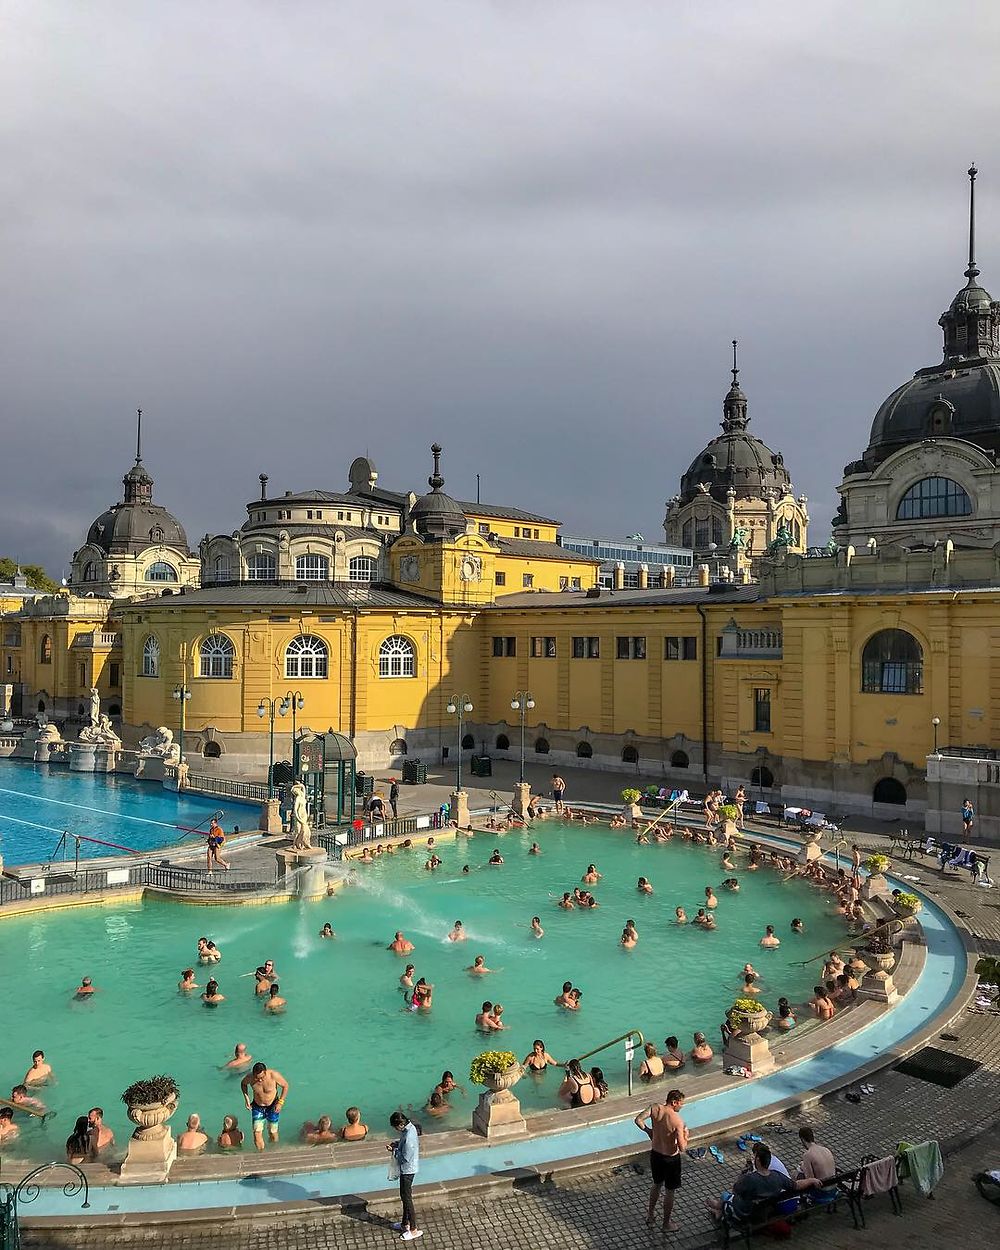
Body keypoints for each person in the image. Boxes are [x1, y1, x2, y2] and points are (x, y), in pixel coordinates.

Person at [705, 1142, 821, 1225]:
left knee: (725, 1196)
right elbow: (796, 1185)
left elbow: (736, 1190)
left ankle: (718, 1209)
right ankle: (718, 1211)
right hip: (763, 1212)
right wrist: (812, 1180)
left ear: (758, 1160)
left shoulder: (751, 1179)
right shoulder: (777, 1176)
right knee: (728, 1199)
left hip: (746, 1213)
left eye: (755, 1157)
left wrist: (743, 1174)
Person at [634, 1089, 687, 1232]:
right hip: (671, 1159)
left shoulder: (655, 1108)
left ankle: (650, 1216)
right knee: (670, 1191)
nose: (681, 1107)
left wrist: (649, 1131)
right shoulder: (677, 1121)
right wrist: (686, 1135)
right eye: (681, 1104)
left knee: (656, 1184)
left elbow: (638, 1120)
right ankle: (666, 1224)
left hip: (656, 1154)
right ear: (674, 1102)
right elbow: (682, 1147)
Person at [387, 1112, 423, 1241]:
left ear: (401, 1124)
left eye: (396, 1127)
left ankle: (413, 1229)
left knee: (407, 1199)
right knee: (404, 1196)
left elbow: (405, 1158)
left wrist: (394, 1151)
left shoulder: (408, 1137)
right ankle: (404, 1224)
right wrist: (396, 1144)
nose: (396, 1130)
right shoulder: (410, 1128)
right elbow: (404, 1144)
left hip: (408, 1170)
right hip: (407, 1169)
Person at [241, 1061, 289, 1152]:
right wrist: (246, 1099)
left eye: (262, 1077)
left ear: (265, 1072)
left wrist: (280, 1103)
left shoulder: (273, 1075)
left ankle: (274, 1151)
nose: (259, 1080)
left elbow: (285, 1086)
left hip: (273, 1106)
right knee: (257, 1132)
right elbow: (243, 1084)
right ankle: (261, 1154)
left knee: (272, 1132)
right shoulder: (250, 1077)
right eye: (257, 1078)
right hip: (257, 1107)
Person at [798, 1125, 836, 1193]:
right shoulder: (826, 1149)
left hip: (822, 1191)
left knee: (797, 1175)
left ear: (802, 1140)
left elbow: (810, 1179)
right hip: (833, 1187)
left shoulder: (807, 1155)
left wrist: (803, 1167)